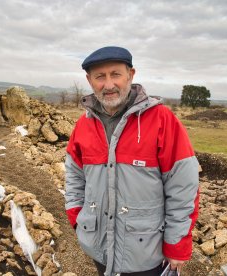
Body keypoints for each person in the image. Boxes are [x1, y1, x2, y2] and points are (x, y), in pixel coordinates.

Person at [64, 46, 200, 276]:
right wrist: (79, 220)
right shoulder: (84, 125)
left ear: (131, 74)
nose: (108, 85)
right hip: (98, 248)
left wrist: (177, 244)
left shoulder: (161, 120)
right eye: (100, 76)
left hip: (145, 254)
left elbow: (183, 187)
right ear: (89, 80)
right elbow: (74, 178)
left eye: (115, 74)